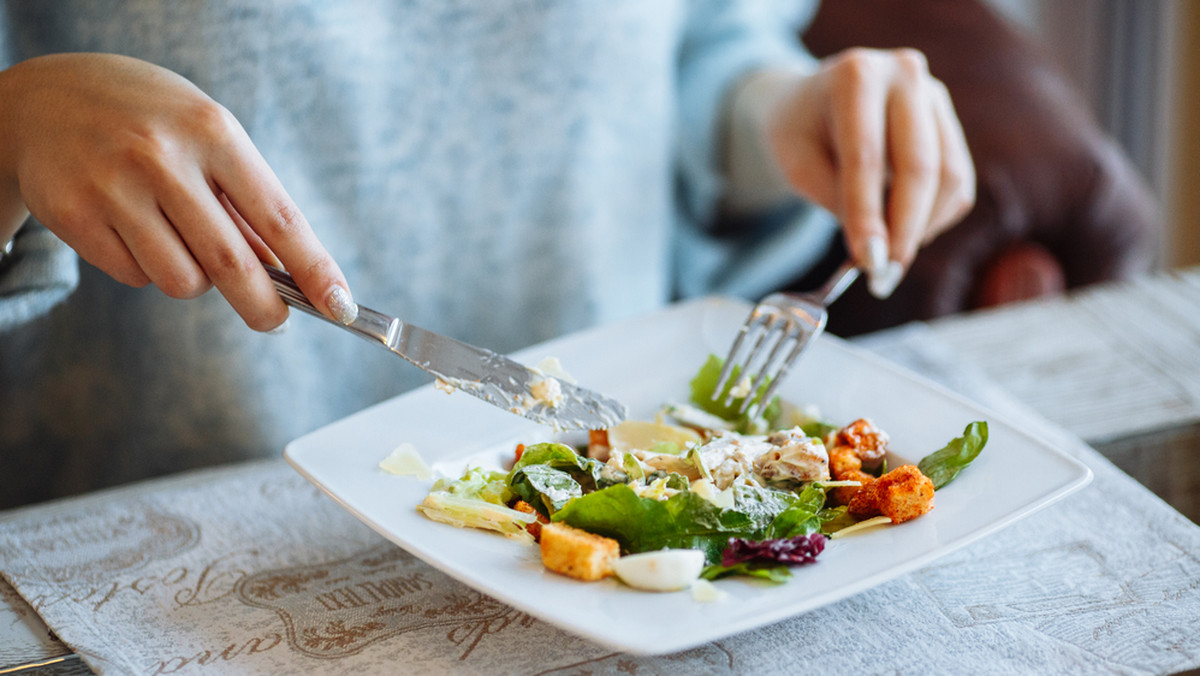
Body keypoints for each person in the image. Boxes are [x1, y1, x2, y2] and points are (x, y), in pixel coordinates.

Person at [0, 1, 973, 509]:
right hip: (157, 533)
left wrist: (774, 116)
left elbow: (697, 43)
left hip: (623, 524)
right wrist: (10, 130)